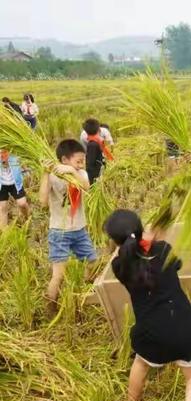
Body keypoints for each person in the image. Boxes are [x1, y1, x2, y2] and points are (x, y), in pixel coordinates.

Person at [104, 209, 191, 401]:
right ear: (140, 229)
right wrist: (154, 238)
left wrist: (138, 241)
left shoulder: (119, 265)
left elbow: (128, 254)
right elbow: (174, 263)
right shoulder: (164, 249)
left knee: (142, 364)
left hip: (151, 333)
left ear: (115, 241)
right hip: (184, 329)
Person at [39, 139, 97, 311]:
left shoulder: (81, 174)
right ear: (64, 160)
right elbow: (42, 202)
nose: (82, 164)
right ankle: (51, 306)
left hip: (79, 230)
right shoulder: (52, 176)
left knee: (92, 262)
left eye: (83, 161)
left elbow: (86, 187)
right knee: (59, 275)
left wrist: (73, 169)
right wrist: (45, 173)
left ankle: (86, 291)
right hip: (59, 233)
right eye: (78, 161)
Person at [0, 150, 30, 229]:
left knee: (22, 203)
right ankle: (5, 233)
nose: (1, 155)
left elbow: (25, 169)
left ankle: (27, 218)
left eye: (3, 152)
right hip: (2, 185)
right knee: (2, 208)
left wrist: (26, 173)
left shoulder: (15, 158)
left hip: (15, 184)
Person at [80, 118, 114, 184]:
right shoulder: (99, 140)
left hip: (95, 174)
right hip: (100, 169)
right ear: (98, 129)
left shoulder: (92, 144)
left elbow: (90, 163)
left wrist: (88, 176)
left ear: (86, 131)